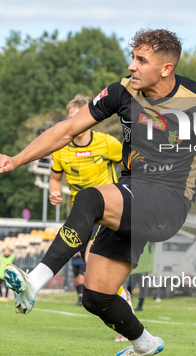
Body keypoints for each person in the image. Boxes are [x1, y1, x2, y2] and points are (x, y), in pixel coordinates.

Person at [0, 28, 196, 356]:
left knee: (89, 199)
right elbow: (67, 130)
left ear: (166, 68)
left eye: (141, 60)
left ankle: (34, 281)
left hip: (168, 203)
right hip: (131, 195)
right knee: (96, 296)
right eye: (133, 58)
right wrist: (16, 158)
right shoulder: (122, 92)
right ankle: (144, 343)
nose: (131, 67)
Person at [48, 95, 132, 310]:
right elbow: (55, 178)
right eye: (70, 118)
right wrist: (54, 192)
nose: (75, 123)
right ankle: (122, 297)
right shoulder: (60, 149)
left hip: (106, 212)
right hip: (80, 214)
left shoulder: (107, 143)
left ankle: (122, 303)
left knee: (91, 257)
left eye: (79, 117)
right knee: (91, 264)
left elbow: (131, 165)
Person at [128, 242, 154, 312]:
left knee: (142, 289)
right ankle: (128, 304)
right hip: (134, 270)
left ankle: (140, 306)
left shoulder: (149, 243)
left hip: (143, 270)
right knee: (129, 288)